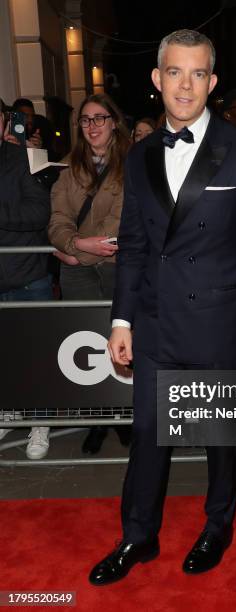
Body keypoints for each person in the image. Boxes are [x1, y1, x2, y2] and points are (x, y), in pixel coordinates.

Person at [88, 29, 236, 586]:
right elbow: (135, 246)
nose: (184, 85)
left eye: (196, 74)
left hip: (219, 325)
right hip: (156, 323)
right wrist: (120, 320)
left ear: (211, 82)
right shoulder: (139, 156)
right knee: (147, 437)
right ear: (156, 78)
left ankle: (217, 526)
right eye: (173, 72)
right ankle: (138, 537)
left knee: (220, 441)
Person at [48, 93, 132, 454]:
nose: (93, 126)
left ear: (114, 121)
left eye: (100, 118)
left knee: (122, 345)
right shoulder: (69, 168)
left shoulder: (133, 164)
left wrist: (74, 252)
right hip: (80, 273)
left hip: (118, 269)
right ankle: (98, 418)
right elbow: (56, 222)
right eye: (86, 120)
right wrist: (77, 246)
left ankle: (126, 416)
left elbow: (122, 223)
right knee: (87, 346)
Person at [0, 98, 53, 459]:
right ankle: (9, 411)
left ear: (4, 123)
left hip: (28, 276)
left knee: (37, 356)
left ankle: (41, 421)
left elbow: (39, 214)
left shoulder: (25, 159)